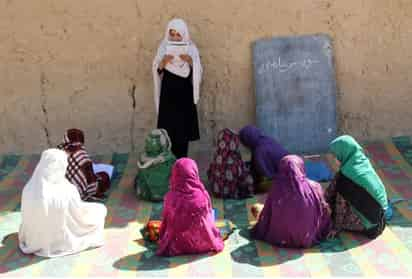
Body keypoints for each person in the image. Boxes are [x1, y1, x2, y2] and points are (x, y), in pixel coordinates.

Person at [19, 149, 107, 257]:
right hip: (61, 240)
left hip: (33, 240)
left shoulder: (28, 188)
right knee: (100, 210)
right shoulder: (67, 190)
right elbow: (79, 216)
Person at [251, 155, 331, 248]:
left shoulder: (276, 188)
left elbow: (268, 213)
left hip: (280, 237)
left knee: (257, 208)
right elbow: (324, 211)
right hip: (308, 236)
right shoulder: (315, 186)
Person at [153, 18, 202, 158]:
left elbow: (198, 73)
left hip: (184, 97)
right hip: (168, 97)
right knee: (169, 132)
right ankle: (170, 166)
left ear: (184, 34)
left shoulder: (191, 48)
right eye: (172, 34)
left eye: (178, 34)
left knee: (183, 133)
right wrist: (164, 62)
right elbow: (157, 71)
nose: (175, 37)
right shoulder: (163, 48)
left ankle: (182, 165)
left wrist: (190, 61)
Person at [157, 158, 224, 256]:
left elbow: (166, 223)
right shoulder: (202, 196)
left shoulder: (170, 198)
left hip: (177, 245)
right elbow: (208, 219)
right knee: (211, 214)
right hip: (203, 243)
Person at [325, 135, 388, 239]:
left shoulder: (347, 176)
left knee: (332, 207)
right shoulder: (361, 162)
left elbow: (340, 206)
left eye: (335, 155)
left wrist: (335, 227)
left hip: (370, 225)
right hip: (381, 217)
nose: (334, 158)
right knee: (339, 181)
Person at [58, 128, 110, 201]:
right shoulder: (82, 155)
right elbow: (90, 180)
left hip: (61, 191)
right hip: (78, 193)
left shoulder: (59, 152)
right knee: (105, 176)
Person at [207, 128, 254, 199]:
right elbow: (241, 175)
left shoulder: (217, 155)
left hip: (217, 193)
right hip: (233, 194)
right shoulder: (234, 157)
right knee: (246, 175)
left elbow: (209, 173)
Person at [239, 125, 289, 191]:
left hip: (285, 179)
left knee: (256, 187)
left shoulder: (259, 152)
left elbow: (265, 174)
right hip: (293, 172)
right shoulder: (268, 140)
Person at [135, 129, 176, 201]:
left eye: (149, 143)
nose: (147, 144)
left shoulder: (167, 159)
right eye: (147, 142)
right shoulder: (145, 156)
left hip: (160, 189)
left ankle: (153, 193)